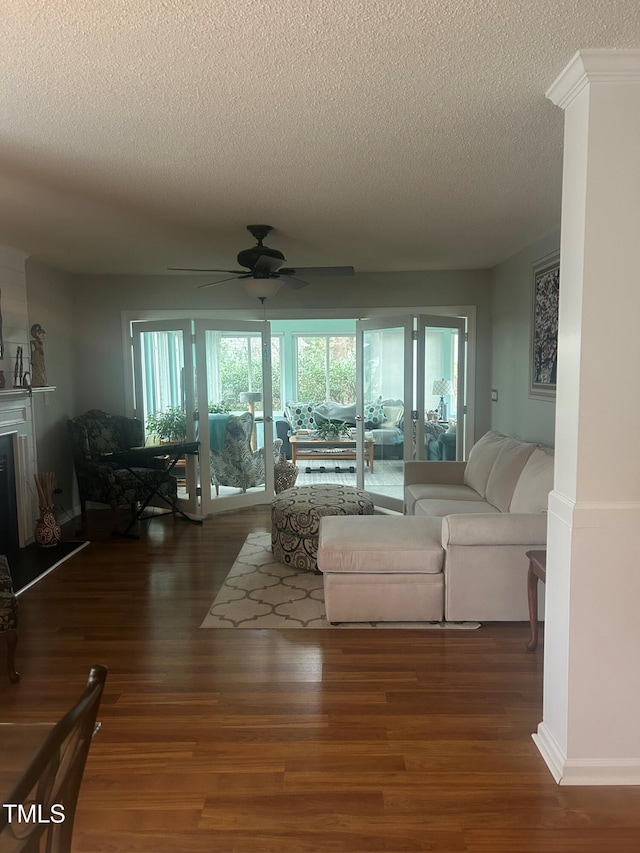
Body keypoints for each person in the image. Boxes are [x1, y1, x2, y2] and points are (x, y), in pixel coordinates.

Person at [30, 323, 47, 387]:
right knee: (38, 369)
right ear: (37, 334)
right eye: (41, 334)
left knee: (41, 368)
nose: (43, 335)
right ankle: (38, 382)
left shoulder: (39, 342)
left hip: (40, 356)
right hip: (37, 356)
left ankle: (41, 382)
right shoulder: (36, 343)